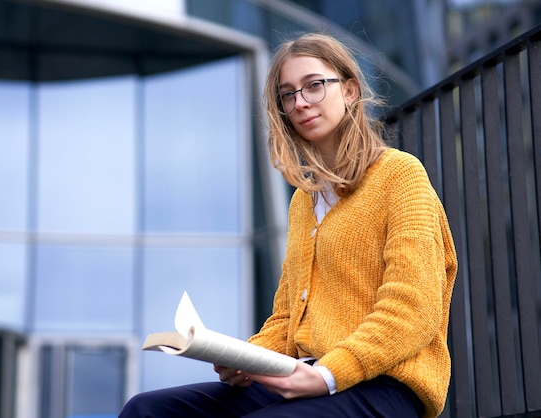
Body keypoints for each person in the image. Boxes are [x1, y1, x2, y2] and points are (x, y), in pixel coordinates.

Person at [119, 32, 457, 418]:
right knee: (148, 410)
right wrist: (246, 357)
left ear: (349, 91)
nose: (300, 103)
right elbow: (286, 317)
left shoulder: (399, 175)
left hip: (383, 386)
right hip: (309, 378)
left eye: (314, 86)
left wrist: (329, 373)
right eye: (288, 94)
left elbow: (413, 309)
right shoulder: (304, 201)